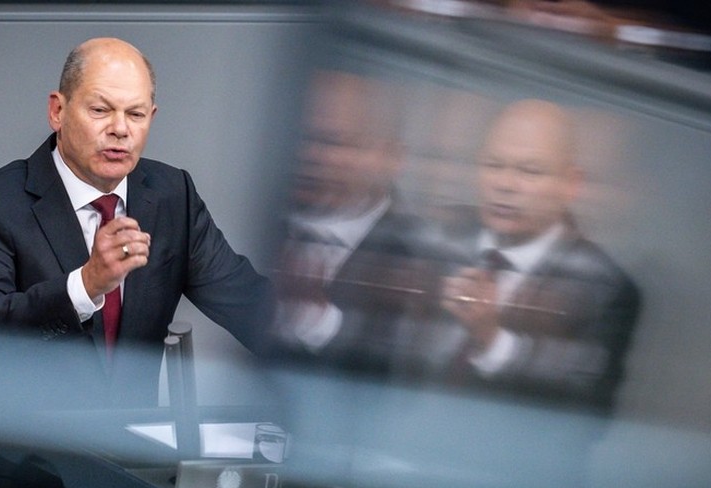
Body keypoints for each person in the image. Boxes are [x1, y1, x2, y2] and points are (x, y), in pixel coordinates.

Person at [0, 37, 271, 488]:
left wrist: (343, 352)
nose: (120, 129)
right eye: (101, 109)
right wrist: (86, 284)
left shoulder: (172, 195)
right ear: (58, 110)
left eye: (137, 114)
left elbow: (249, 302)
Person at [417, 98, 640, 411]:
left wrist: (492, 340)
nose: (505, 185)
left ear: (571, 184)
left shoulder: (603, 287)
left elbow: (584, 408)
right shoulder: (434, 236)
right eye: (494, 165)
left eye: (530, 172)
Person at [270, 69, 431, 379]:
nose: (311, 156)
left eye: (335, 143)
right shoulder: (248, 215)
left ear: (390, 158)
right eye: (302, 138)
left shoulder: (420, 258)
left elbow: (407, 382)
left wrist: (315, 319)